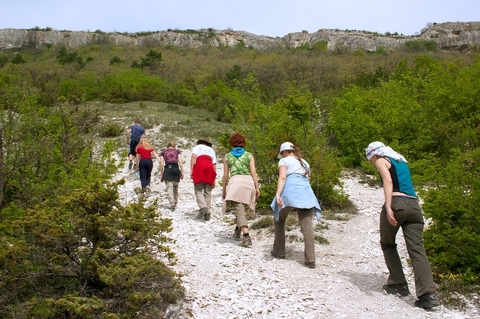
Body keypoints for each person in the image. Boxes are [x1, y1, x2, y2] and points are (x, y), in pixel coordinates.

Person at [365, 141, 440, 309]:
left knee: (388, 243)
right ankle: (428, 294)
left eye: (370, 158)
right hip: (414, 206)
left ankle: (398, 283)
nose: (371, 162)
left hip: (397, 203)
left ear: (374, 154)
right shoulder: (401, 161)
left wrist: (389, 207)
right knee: (417, 249)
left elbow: (388, 182)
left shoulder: (381, 159)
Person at [270, 142, 322, 268]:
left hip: (290, 193)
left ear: (284, 152)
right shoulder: (304, 162)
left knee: (279, 219)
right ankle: (310, 259)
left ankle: (279, 251)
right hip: (306, 194)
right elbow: (307, 179)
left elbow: (282, 178)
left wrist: (278, 194)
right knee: (307, 226)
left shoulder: (284, 161)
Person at [222, 133, 260, 247]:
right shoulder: (249, 155)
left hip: (235, 182)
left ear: (231, 143)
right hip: (248, 182)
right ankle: (237, 230)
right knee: (242, 208)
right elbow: (253, 172)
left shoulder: (227, 156)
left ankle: (246, 236)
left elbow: (225, 176)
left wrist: (224, 189)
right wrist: (257, 187)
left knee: (238, 208)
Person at [190, 138, 217, 221]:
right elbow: (214, 164)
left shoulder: (197, 147)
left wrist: (191, 170)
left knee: (198, 189)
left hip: (200, 166)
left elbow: (193, 157)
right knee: (207, 191)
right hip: (209, 167)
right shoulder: (211, 150)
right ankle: (207, 212)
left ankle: (203, 207)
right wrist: (214, 178)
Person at [159, 141, 185, 210]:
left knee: (169, 188)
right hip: (176, 169)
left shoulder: (163, 152)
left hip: (168, 170)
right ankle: (176, 201)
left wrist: (161, 173)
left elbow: (161, 163)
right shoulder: (177, 151)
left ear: (167, 146)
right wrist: (182, 171)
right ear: (174, 146)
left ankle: (172, 203)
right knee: (175, 187)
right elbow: (180, 162)